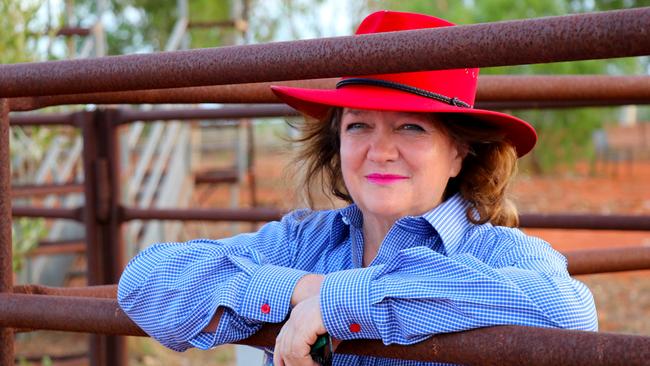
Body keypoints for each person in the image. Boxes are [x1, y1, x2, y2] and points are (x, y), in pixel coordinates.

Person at [117, 10, 598, 366]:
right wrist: (306, 288)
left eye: (412, 128)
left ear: (459, 152)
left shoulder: (498, 253)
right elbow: (144, 282)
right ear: (337, 142)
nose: (380, 150)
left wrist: (344, 303)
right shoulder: (304, 242)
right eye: (358, 126)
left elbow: (568, 314)